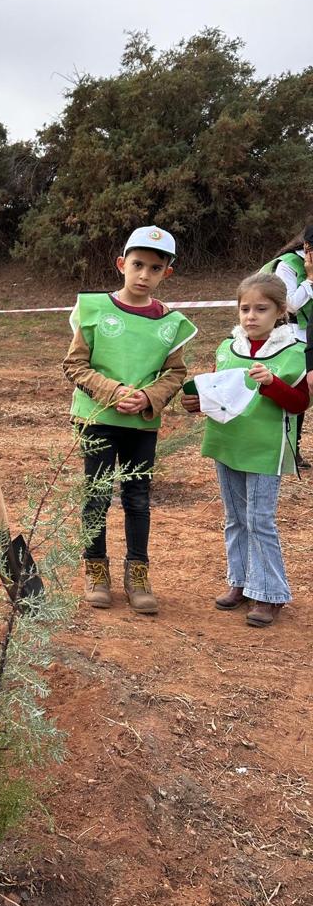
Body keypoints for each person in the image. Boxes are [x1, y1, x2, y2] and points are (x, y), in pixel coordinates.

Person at [63, 225, 197, 614]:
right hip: (99, 419)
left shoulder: (172, 324)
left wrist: (148, 397)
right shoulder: (93, 309)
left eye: (155, 268)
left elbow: (175, 373)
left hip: (142, 424)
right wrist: (113, 391)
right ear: (122, 263)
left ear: (166, 274)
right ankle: (96, 569)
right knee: (97, 495)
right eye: (137, 264)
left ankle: (137, 572)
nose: (144, 275)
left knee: (137, 498)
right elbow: (74, 364)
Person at [182, 273, 308, 627]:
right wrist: (194, 402)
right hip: (227, 443)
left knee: (260, 520)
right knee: (235, 518)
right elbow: (215, 394)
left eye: (261, 309)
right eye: (245, 309)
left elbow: (299, 403)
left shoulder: (293, 353)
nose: (251, 316)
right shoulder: (227, 348)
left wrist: (273, 384)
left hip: (265, 448)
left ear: (280, 311)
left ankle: (270, 593)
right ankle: (240, 581)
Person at [260, 223, 313, 466]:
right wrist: (310, 279)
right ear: (307, 248)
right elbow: (288, 304)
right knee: (295, 385)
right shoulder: (288, 265)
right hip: (287, 332)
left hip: (307, 329)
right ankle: (290, 446)